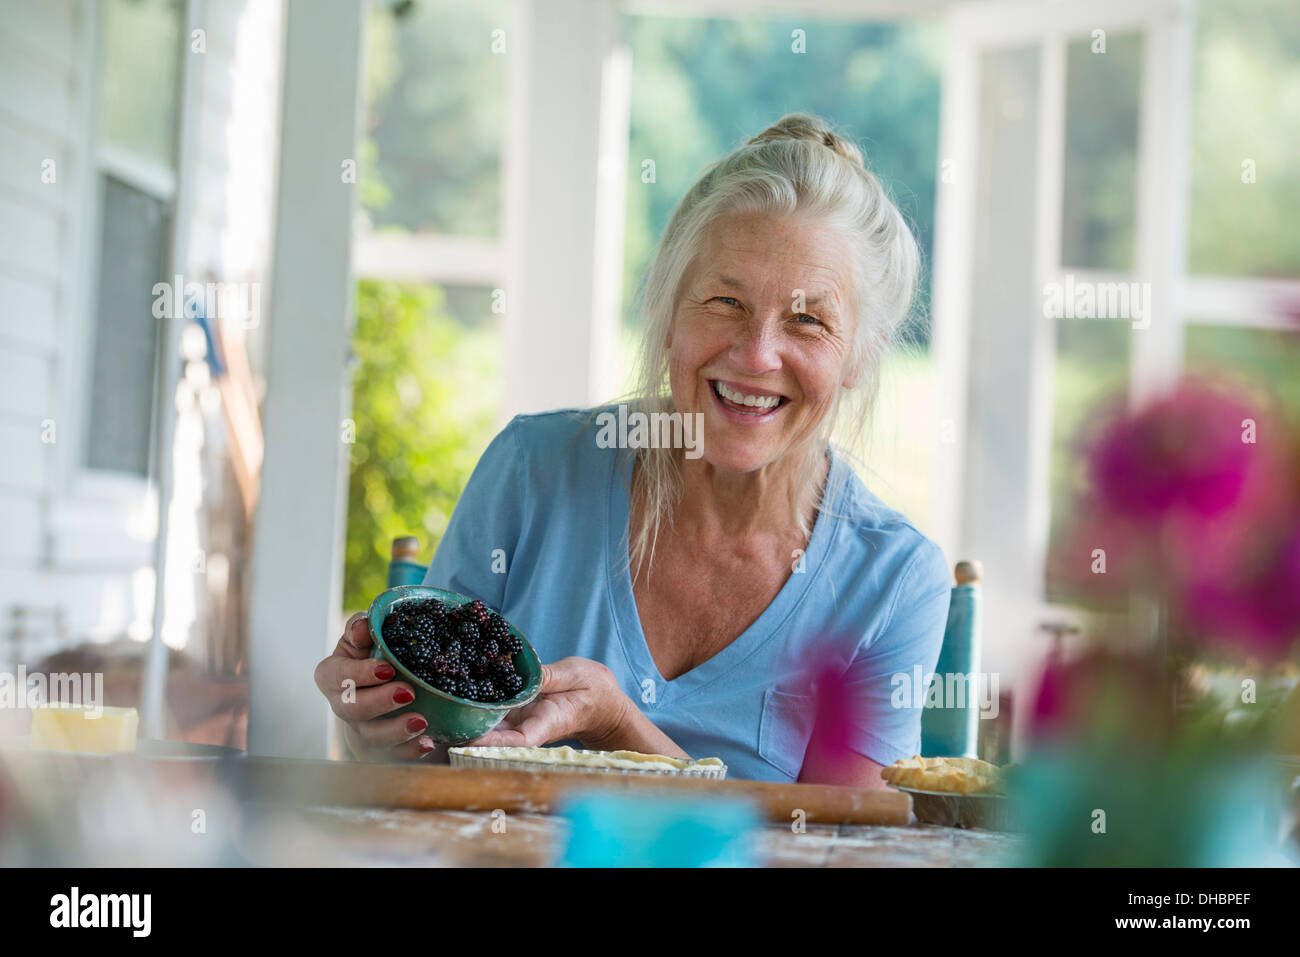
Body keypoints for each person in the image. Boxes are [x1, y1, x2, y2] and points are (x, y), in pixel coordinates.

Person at [315, 112, 952, 784]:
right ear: (668, 311)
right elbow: (429, 769)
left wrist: (622, 727)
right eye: (725, 300)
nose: (757, 354)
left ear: (861, 353)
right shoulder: (532, 469)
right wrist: (381, 733)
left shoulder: (893, 581)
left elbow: (835, 854)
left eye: (808, 319)